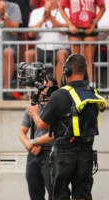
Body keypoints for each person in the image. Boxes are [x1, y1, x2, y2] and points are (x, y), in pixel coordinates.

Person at [27, 54, 106, 200]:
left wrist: (34, 113)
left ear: (67, 71)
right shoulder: (92, 93)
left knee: (60, 195)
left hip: (64, 151)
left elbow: (42, 125)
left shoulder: (59, 95)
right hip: (86, 151)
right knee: (82, 195)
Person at [18, 75, 58, 200]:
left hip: (50, 153)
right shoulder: (33, 107)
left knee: (53, 190)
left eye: (48, 87)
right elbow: (21, 131)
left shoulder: (56, 107)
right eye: (42, 87)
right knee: (34, 189)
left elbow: (53, 134)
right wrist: (29, 146)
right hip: (34, 154)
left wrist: (33, 142)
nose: (44, 90)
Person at [59, 0, 106, 85]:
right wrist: (69, 24)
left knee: (89, 59)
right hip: (75, 26)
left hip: (89, 26)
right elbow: (61, 7)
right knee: (75, 59)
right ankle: (74, 84)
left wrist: (93, 24)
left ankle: (92, 84)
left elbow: (103, 8)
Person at [25, 0, 70, 85]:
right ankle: (31, 91)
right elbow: (31, 34)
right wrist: (43, 19)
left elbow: (65, 31)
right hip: (40, 48)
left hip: (59, 48)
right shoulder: (36, 12)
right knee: (29, 54)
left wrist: (50, 17)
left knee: (62, 54)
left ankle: (59, 90)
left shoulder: (65, 11)